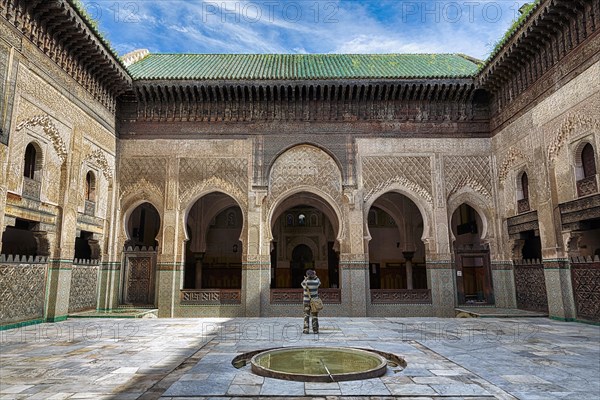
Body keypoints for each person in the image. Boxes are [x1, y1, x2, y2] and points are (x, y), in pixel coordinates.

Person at [301, 269, 321, 334]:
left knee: (306, 315)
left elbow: (302, 283)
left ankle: (306, 329)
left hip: (306, 302)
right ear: (313, 275)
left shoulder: (305, 282)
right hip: (314, 302)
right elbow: (319, 281)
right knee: (314, 316)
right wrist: (315, 275)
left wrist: (307, 278)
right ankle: (315, 330)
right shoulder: (316, 282)